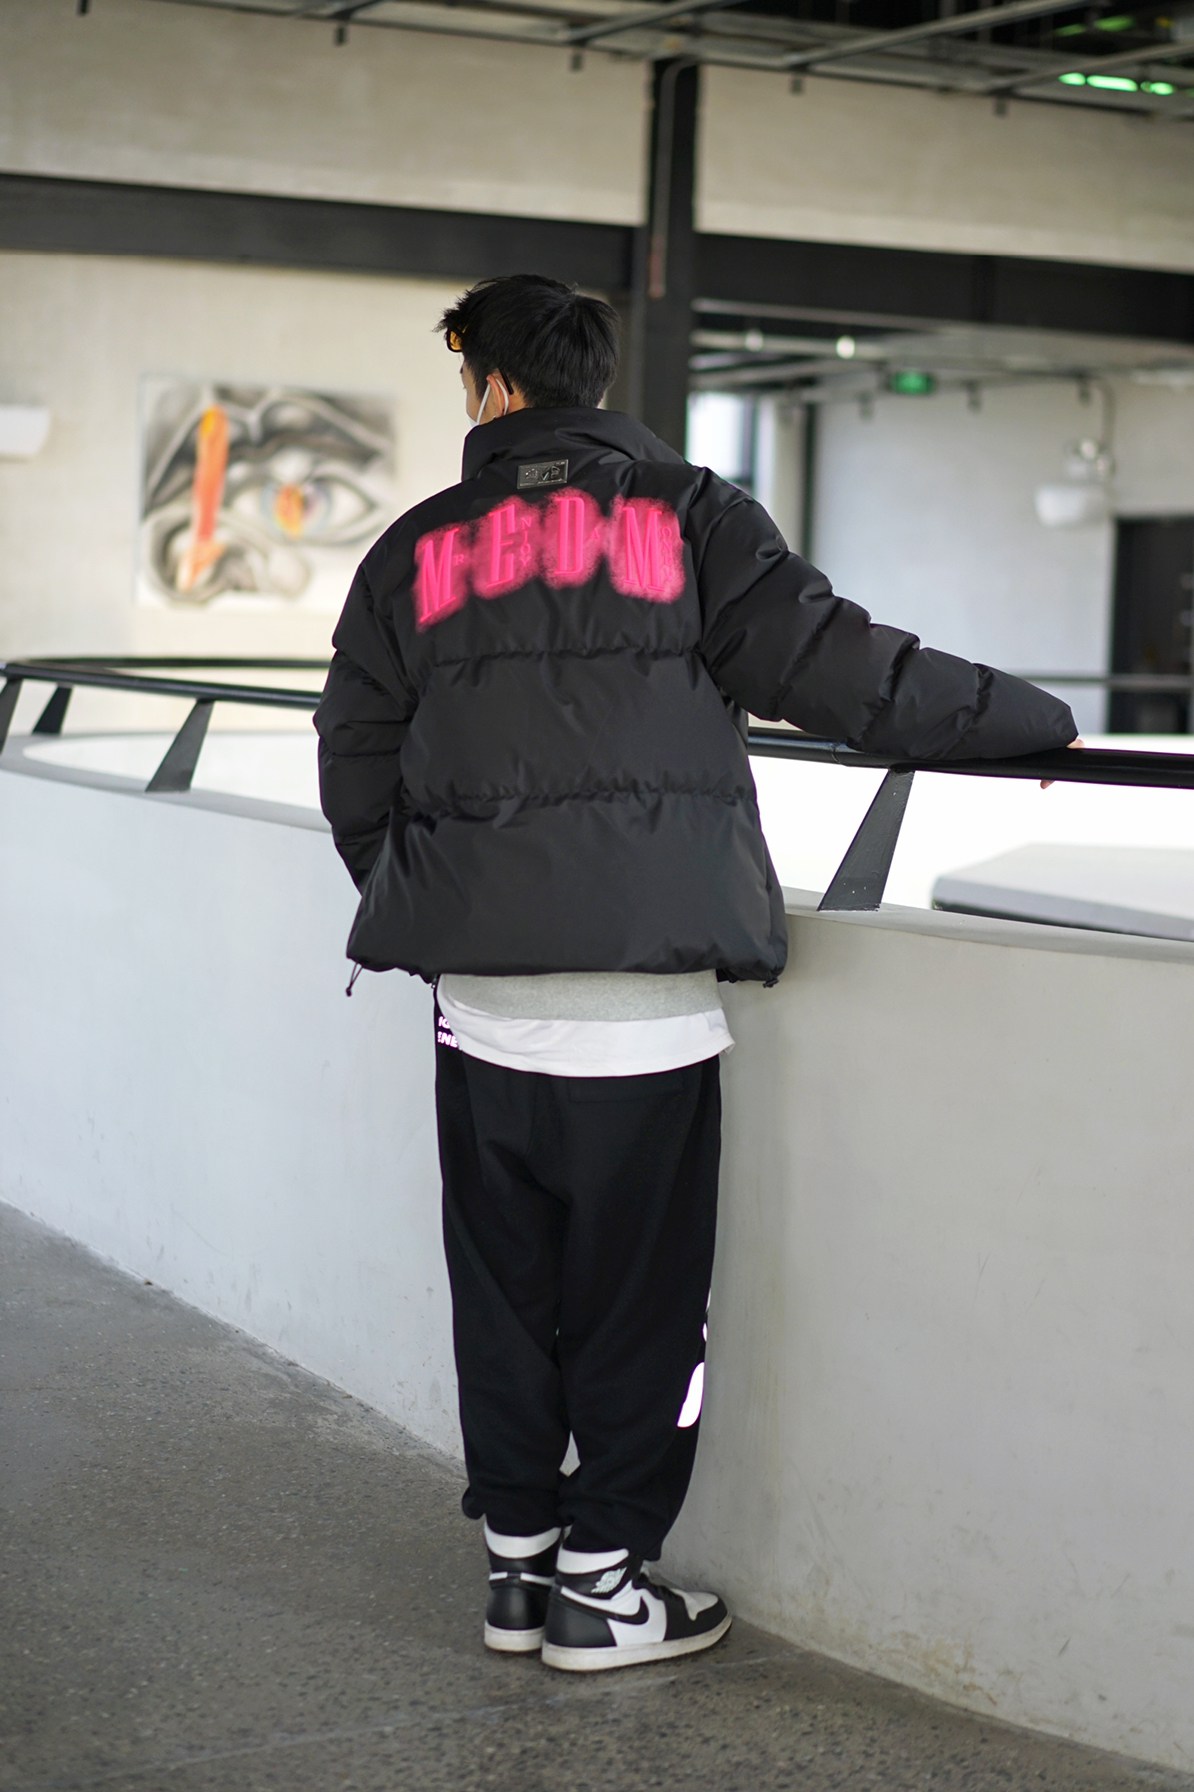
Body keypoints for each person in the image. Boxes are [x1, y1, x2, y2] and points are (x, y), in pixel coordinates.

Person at [315, 273, 1077, 1674]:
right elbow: (839, 670)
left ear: (488, 386)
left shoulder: (411, 550)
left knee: (502, 1298)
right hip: (645, 1021)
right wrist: (1033, 720)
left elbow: (354, 761)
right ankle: (603, 1585)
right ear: (596, 384)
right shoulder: (691, 516)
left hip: (481, 1011)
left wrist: (434, 897)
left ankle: (516, 1569)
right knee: (643, 1309)